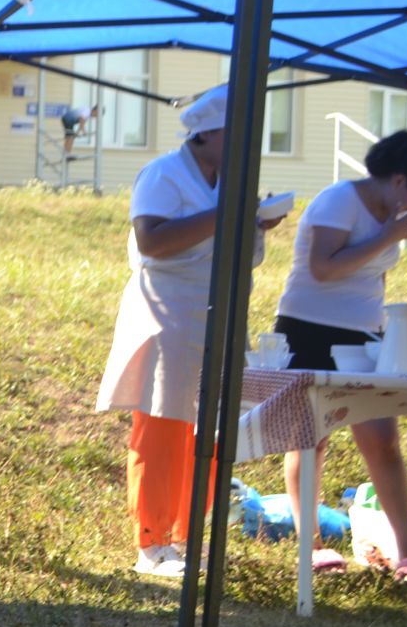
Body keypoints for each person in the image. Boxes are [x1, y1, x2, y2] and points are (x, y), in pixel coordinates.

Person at [97, 86, 285, 576]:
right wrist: (229, 215)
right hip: (168, 311)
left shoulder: (233, 180)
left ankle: (189, 534)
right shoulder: (161, 173)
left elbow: (237, 248)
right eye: (237, 133)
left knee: (213, 427)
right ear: (206, 135)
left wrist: (257, 227)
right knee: (162, 425)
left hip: (218, 309)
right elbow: (152, 240)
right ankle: (152, 542)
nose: (248, 143)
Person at [273, 128, 407, 584]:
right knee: (310, 438)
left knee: (381, 438)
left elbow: (370, 276)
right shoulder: (340, 201)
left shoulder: (395, 212)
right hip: (309, 329)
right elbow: (323, 267)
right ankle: (310, 546)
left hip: (364, 332)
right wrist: (389, 235)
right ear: (398, 180)